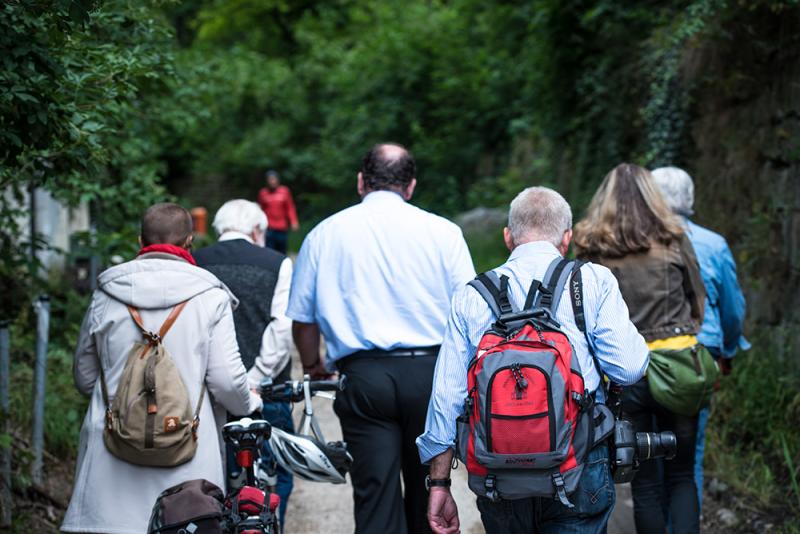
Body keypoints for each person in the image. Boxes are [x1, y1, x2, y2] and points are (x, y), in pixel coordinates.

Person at [419, 186, 650, 534]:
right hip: (580, 460)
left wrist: (439, 484)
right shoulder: (591, 281)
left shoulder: (472, 295)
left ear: (508, 237)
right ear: (567, 238)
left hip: (498, 469)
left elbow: (446, 398)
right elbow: (630, 368)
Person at [287, 143, 475, 534]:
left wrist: (312, 366)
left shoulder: (324, 234)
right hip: (432, 375)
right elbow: (469, 312)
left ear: (361, 182)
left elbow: (303, 321)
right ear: (411, 186)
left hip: (365, 376)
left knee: (375, 495)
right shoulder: (444, 232)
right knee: (431, 493)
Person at [62, 203, 261, 534]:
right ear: (189, 243)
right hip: (188, 476)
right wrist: (249, 402)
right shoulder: (210, 297)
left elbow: (84, 377)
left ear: (141, 241)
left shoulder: (106, 294)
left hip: (109, 470)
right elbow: (226, 381)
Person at [573, 163, 706, 534]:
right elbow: (697, 299)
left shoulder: (590, 244)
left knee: (644, 481)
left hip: (623, 373)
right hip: (679, 367)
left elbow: (580, 311)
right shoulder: (674, 237)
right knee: (681, 475)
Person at [652, 166, 750, 510]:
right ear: (689, 198)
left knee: (650, 450)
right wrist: (727, 351)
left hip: (650, 356)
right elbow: (733, 309)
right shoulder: (713, 243)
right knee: (688, 454)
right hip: (699, 355)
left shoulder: (635, 245)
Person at [193, 199, 295, 525]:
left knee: (214, 476)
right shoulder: (277, 263)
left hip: (210, 391)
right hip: (268, 388)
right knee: (278, 473)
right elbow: (281, 326)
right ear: (257, 229)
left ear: (219, 227)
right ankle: (269, 525)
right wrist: (255, 376)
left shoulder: (196, 261)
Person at [257, 170, 299, 254]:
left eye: (274, 179)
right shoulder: (263, 193)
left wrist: (294, 221)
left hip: (282, 227)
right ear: (267, 181)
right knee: (269, 251)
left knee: (282, 251)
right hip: (269, 227)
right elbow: (260, 210)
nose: (272, 181)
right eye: (270, 179)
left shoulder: (284, 191)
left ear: (278, 180)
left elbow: (290, 208)